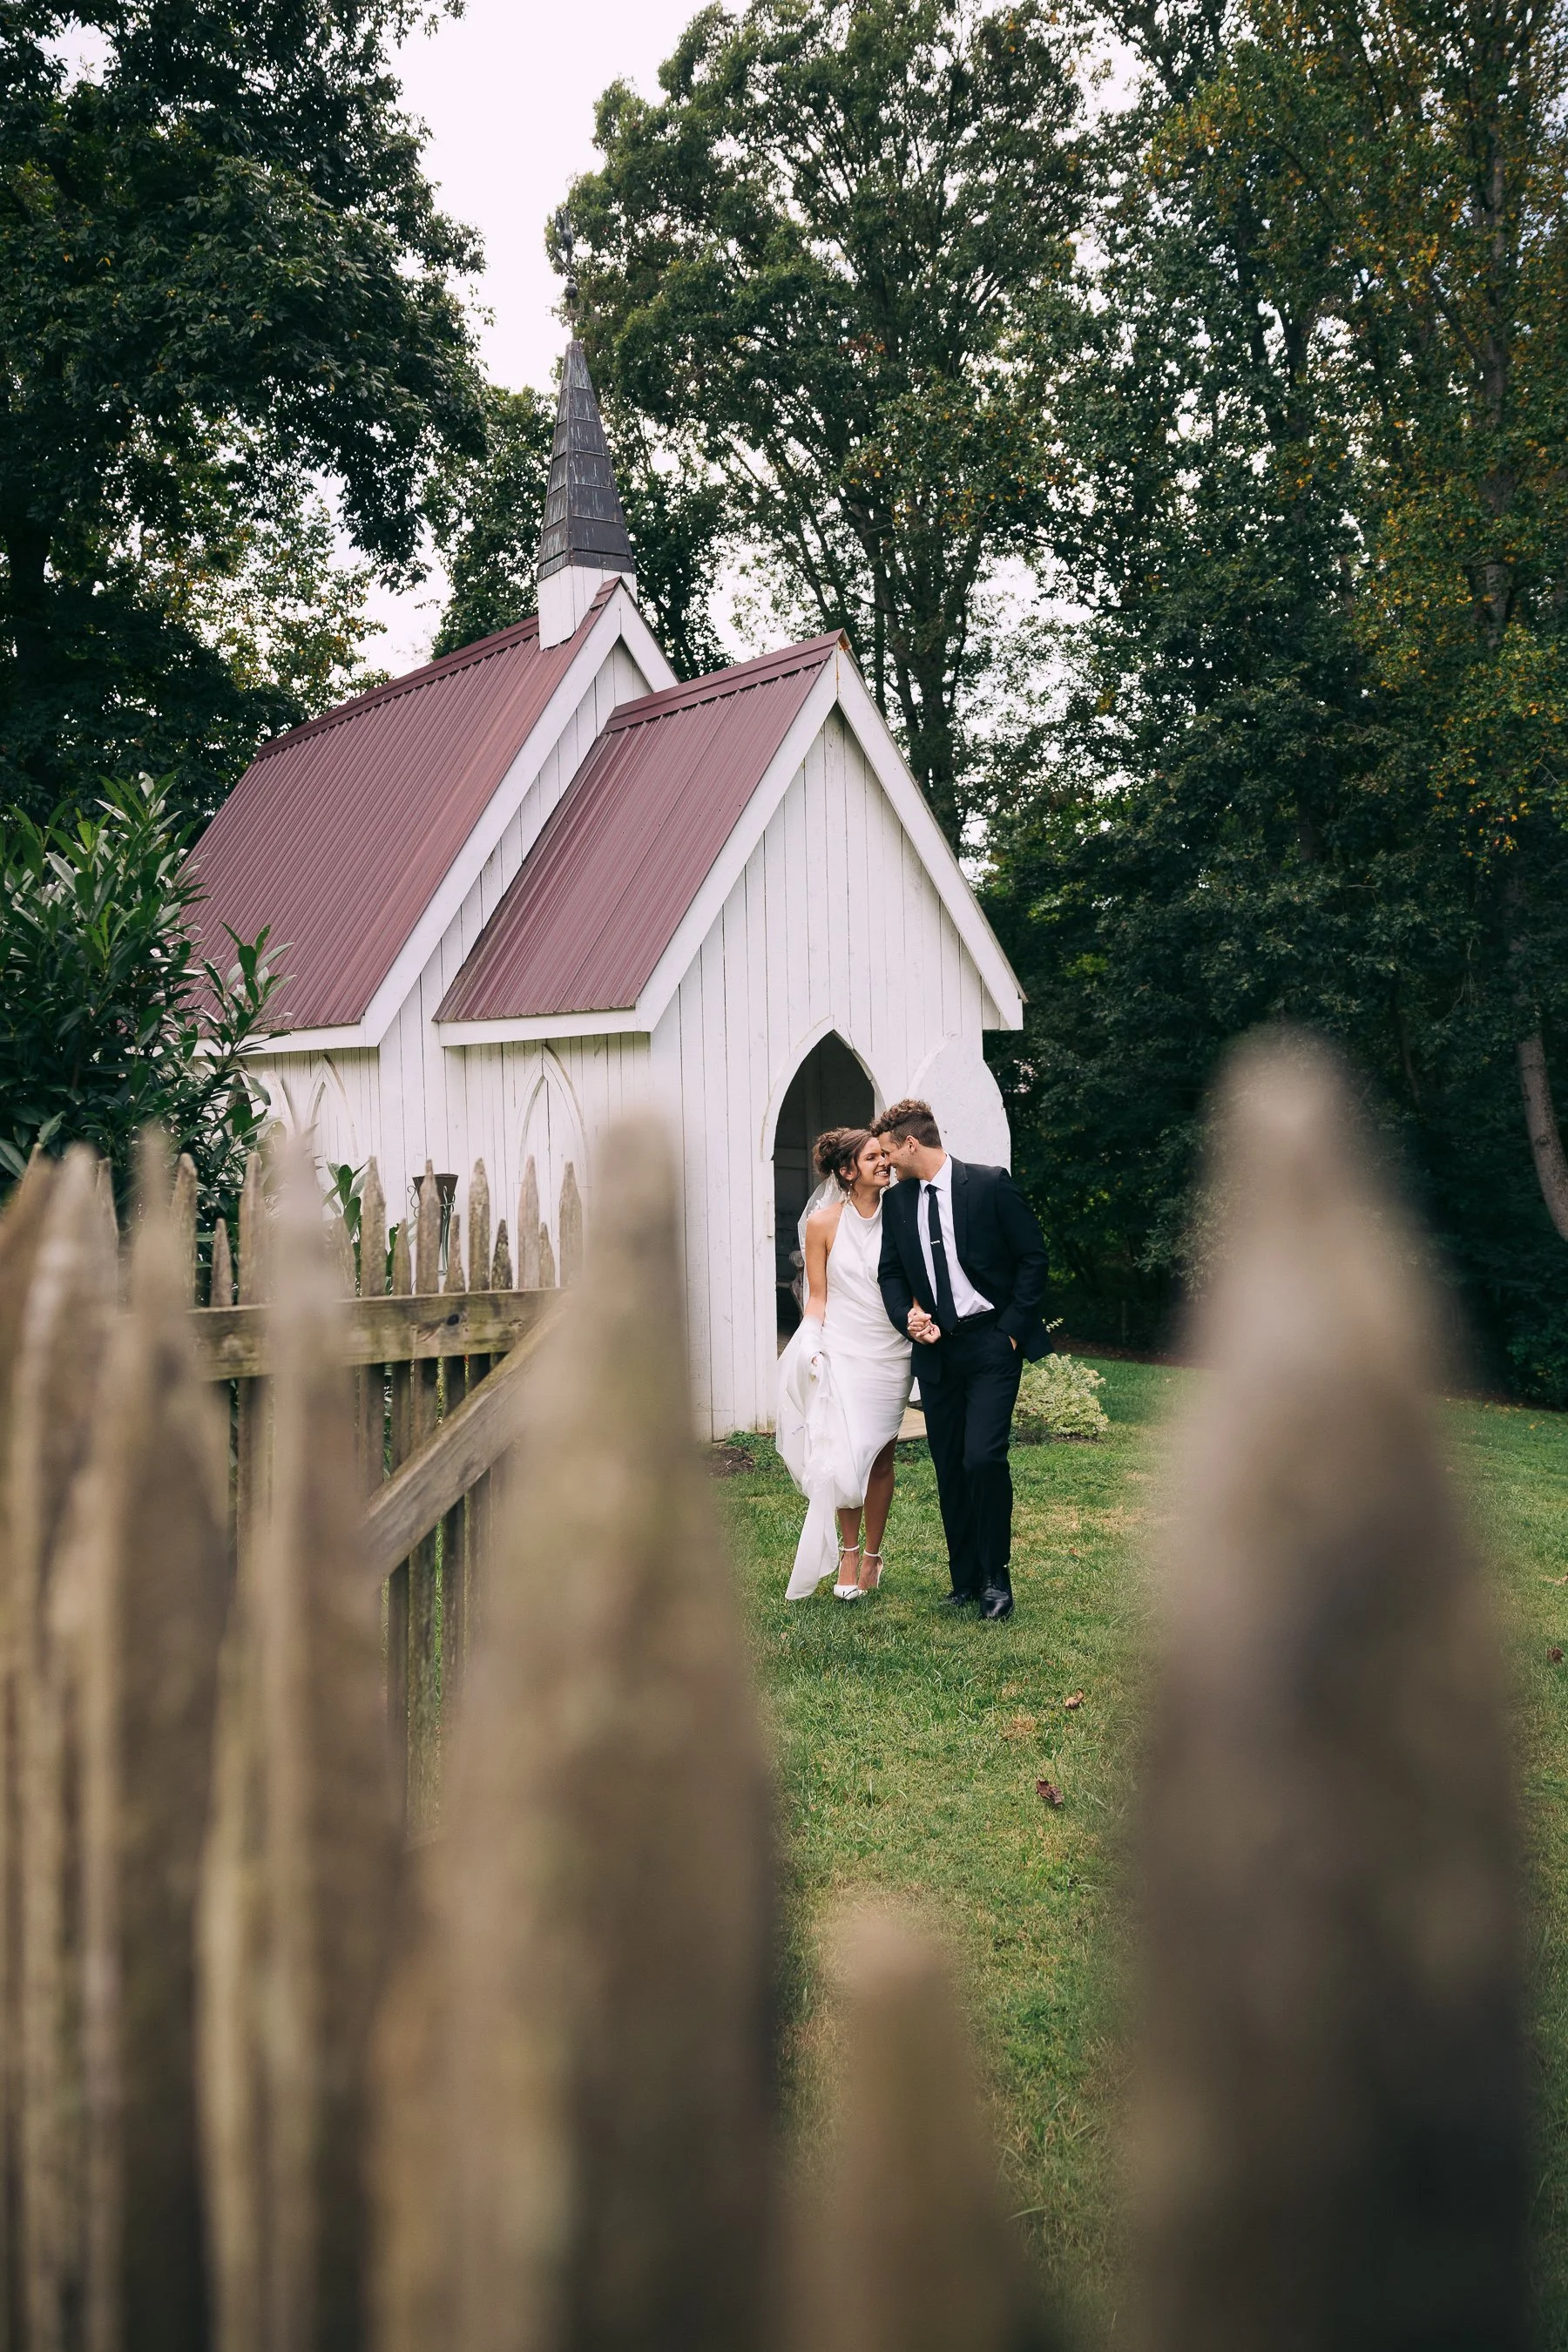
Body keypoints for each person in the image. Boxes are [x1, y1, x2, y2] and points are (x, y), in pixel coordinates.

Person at [874, 1098, 1049, 1620]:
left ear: (911, 1143)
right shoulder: (898, 1204)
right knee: (949, 1465)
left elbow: (1033, 1258)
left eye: (888, 1153)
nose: (885, 1165)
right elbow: (891, 1273)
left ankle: (998, 1577)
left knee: (983, 1458)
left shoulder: (990, 1184)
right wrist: (907, 1315)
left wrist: (1012, 1332)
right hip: (937, 1350)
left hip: (992, 1344)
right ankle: (965, 1579)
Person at [776, 1127, 914, 1601]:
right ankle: (850, 1553)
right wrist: (809, 1341)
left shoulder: (904, 1214)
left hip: (891, 1350)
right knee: (843, 1456)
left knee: (879, 1456)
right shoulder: (822, 1225)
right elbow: (817, 1297)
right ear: (846, 1170)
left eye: (884, 1156)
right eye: (873, 1157)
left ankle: (874, 1554)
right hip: (841, 1347)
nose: (884, 1163)